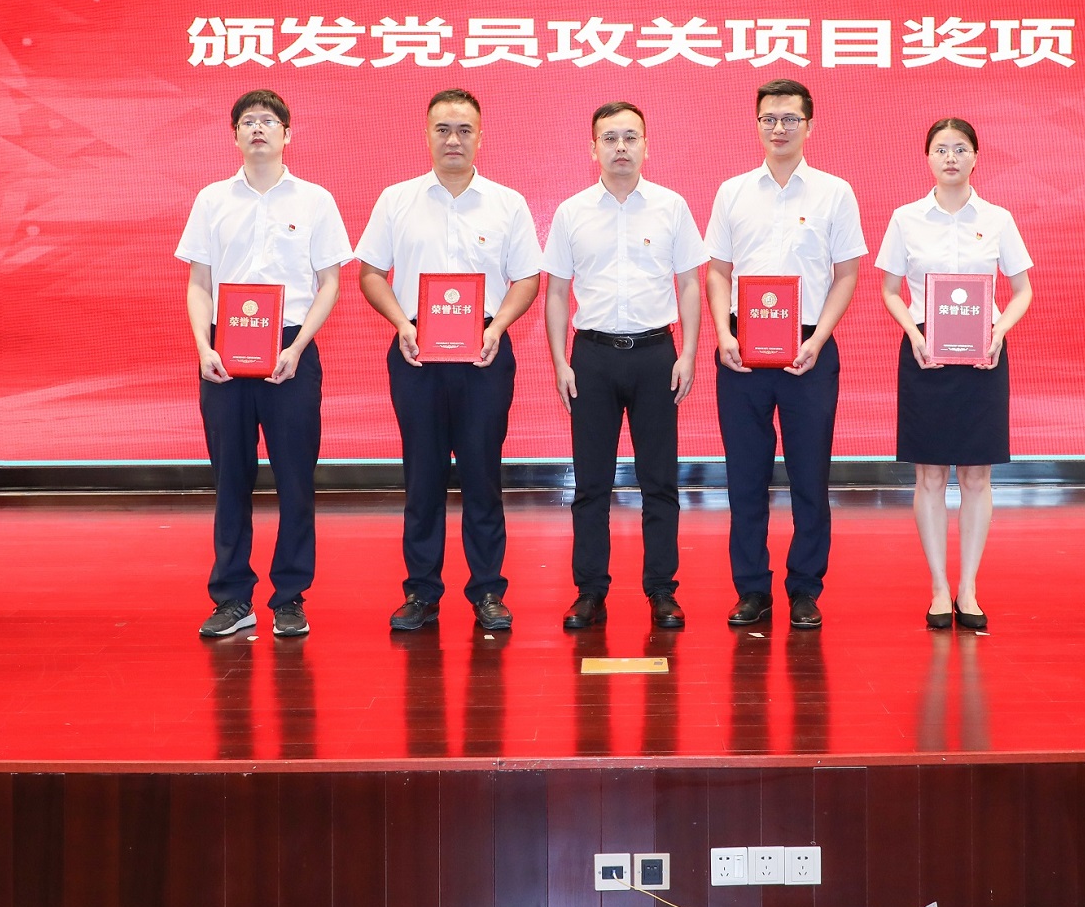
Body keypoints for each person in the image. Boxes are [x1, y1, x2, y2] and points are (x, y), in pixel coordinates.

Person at [357, 88, 542, 633]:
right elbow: (371, 273)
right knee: (423, 477)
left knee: (483, 476)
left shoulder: (507, 203)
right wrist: (402, 324)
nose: (453, 139)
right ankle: (421, 591)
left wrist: (498, 327)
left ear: (481, 136)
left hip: (484, 353)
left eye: (464, 129)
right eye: (443, 129)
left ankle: (488, 591)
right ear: (427, 135)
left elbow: (527, 278)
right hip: (416, 352)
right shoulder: (396, 200)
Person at [177, 88, 352, 640]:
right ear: (234, 135)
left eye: (269, 121)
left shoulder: (315, 200)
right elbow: (199, 283)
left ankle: (290, 597)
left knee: (296, 480)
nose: (258, 128)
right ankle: (232, 598)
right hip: (223, 353)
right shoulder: (212, 200)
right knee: (230, 479)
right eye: (248, 121)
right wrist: (203, 347)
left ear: (287, 134)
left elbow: (330, 282)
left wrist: (297, 349)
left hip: (291, 349)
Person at [705, 78, 868, 631]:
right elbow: (718, 270)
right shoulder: (732, 192)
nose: (779, 128)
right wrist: (723, 334)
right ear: (756, 125)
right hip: (741, 351)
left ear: (809, 125)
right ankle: (752, 589)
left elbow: (846, 274)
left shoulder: (834, 192)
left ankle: (804, 589)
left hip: (809, 349)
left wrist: (818, 339)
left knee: (809, 478)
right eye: (769, 118)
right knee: (745, 478)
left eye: (790, 119)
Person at [542, 101, 709, 632]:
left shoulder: (671, 207)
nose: (620, 147)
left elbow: (689, 283)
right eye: (609, 138)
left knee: (659, 481)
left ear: (646, 145)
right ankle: (590, 591)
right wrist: (560, 362)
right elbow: (556, 292)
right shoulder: (571, 212)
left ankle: (662, 590)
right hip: (590, 357)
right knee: (591, 484)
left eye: (630, 137)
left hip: (656, 355)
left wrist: (688, 353)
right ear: (592, 148)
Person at [875, 117, 1034, 633]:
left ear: (975, 157)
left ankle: (968, 587)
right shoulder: (905, 218)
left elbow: (1022, 290)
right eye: (941, 149)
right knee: (929, 475)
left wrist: (999, 331)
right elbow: (890, 290)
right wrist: (914, 333)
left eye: (960, 149)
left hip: (983, 354)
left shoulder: (998, 219)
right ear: (927, 157)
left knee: (976, 475)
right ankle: (939, 588)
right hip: (926, 352)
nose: (950, 157)